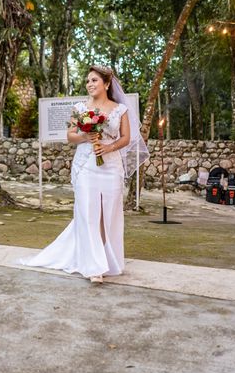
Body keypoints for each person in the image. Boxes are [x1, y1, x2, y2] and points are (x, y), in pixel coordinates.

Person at [20, 65, 149, 283]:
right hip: (86, 164)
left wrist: (108, 148)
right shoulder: (79, 108)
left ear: (107, 84)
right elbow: (70, 135)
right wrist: (85, 137)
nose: (89, 84)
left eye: (94, 80)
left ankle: (109, 260)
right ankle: (93, 267)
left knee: (109, 214)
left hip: (111, 166)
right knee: (88, 212)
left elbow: (126, 138)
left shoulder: (120, 109)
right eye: (87, 81)